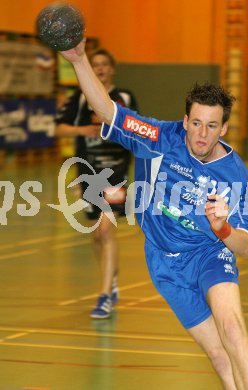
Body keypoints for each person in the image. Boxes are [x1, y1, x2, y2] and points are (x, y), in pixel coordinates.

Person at [60, 40, 248, 389]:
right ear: (185, 120)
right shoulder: (158, 137)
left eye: (212, 126)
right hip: (163, 262)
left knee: (232, 329)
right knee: (217, 353)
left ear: (225, 129)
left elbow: (247, 248)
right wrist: (79, 60)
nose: (202, 135)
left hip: (208, 253)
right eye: (196, 123)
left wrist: (224, 229)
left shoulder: (239, 179)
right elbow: (108, 111)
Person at [55, 48, 138, 319]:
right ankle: (110, 279)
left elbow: (135, 131)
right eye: (96, 64)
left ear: (112, 69)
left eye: (104, 64)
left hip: (116, 173)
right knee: (96, 235)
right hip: (88, 173)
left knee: (106, 230)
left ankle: (104, 296)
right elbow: (59, 128)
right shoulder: (79, 98)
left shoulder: (124, 97)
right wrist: (83, 130)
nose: (100, 69)